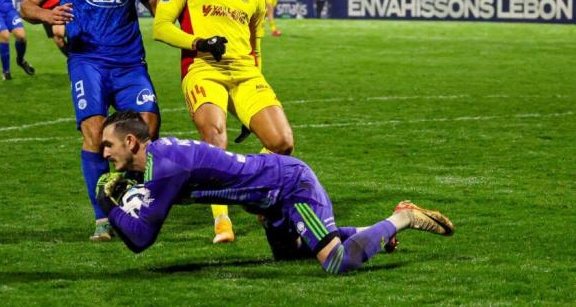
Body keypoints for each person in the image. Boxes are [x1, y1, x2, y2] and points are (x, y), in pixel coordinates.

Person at [95, 111, 455, 275]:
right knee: (289, 255)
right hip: (268, 199)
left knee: (335, 262)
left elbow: (142, 238)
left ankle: (402, 218)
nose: (105, 154)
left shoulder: (167, 167)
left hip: (288, 186)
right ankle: (373, 234)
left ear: (130, 141)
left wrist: (107, 203)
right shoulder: (159, 161)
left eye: (108, 146)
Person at [21, 0, 179, 242]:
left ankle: (138, 206)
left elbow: (159, 11)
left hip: (129, 64)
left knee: (148, 128)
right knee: (94, 132)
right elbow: (27, 6)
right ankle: (103, 221)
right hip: (88, 62)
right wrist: (47, 15)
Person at [153, 0, 295, 244]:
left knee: (283, 142)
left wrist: (247, 109)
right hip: (203, 69)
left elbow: (255, 51)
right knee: (216, 138)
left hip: (246, 75)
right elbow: (160, 27)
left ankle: (251, 191)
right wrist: (199, 43)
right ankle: (222, 221)